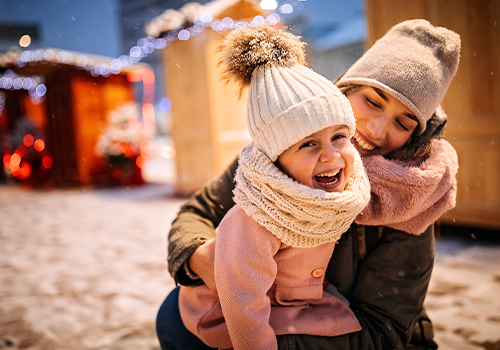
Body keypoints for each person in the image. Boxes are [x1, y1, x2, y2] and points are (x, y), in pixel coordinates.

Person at [157, 19, 461, 350]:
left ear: (414, 136)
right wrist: (200, 256)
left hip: (354, 337)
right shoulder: (275, 156)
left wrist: (266, 341)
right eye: (373, 102)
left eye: (403, 123)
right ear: (346, 90)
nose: (376, 129)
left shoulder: (412, 200)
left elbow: (381, 331)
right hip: (283, 314)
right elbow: (197, 213)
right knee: (175, 315)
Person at [177, 23, 371, 350]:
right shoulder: (256, 218)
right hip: (230, 313)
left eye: (339, 136)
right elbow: (244, 307)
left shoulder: (345, 195)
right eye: (308, 144)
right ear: (276, 160)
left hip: (296, 301)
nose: (330, 155)